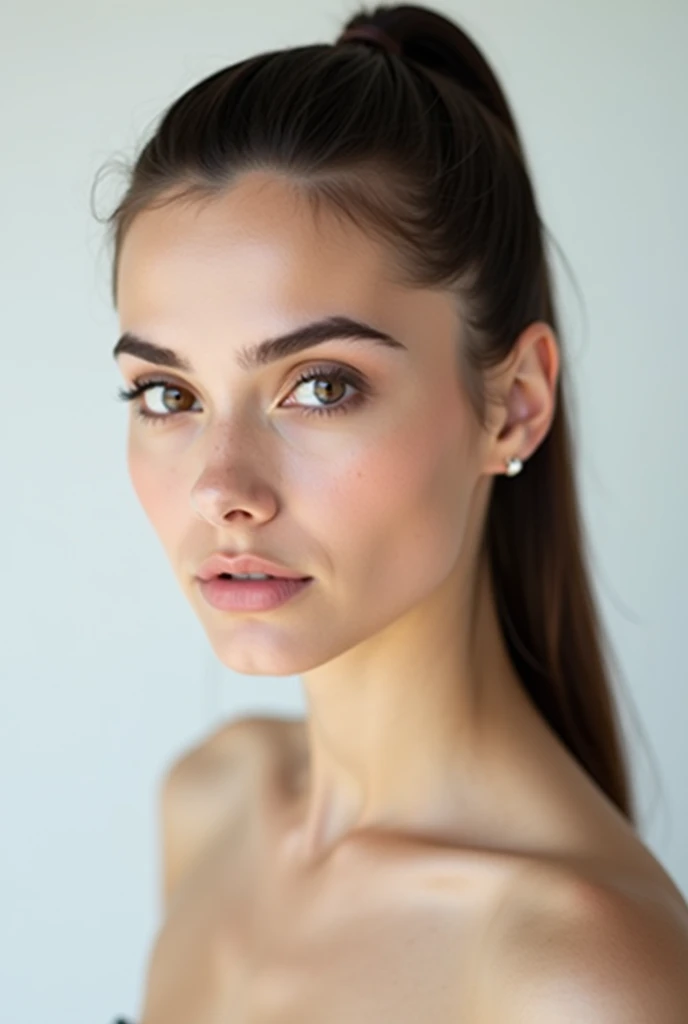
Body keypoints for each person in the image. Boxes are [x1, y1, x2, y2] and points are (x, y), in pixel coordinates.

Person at [100, 4, 688, 1021]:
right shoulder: (210, 802)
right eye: (169, 395)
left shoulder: (584, 976)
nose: (220, 486)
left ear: (512, 405)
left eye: (319, 385)